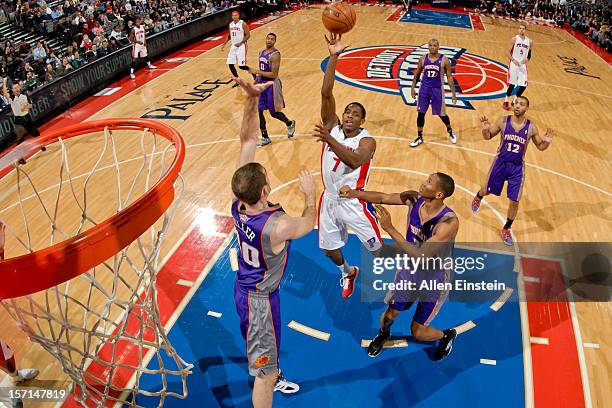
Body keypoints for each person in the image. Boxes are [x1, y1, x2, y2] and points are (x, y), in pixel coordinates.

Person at [231, 77, 317, 407]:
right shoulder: (276, 227)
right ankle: (269, 378)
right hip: (259, 301)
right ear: (265, 192)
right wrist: (310, 195)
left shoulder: (239, 200)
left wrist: (251, 99)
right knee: (263, 375)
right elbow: (308, 224)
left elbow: (247, 138)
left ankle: (271, 369)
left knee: (266, 358)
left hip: (250, 291)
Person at [339, 172, 459, 360]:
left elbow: (421, 255)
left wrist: (389, 228)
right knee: (389, 315)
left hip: (434, 279)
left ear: (439, 195)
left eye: (429, 182)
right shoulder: (414, 198)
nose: (423, 183)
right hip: (409, 271)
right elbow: (383, 197)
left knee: (418, 332)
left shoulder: (448, 223)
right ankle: (383, 333)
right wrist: (354, 193)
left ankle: (446, 335)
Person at [313, 33, 383, 299]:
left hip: (353, 201)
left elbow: (354, 160)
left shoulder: (368, 140)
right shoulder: (333, 126)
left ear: (363, 120)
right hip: (330, 199)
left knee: (378, 249)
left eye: (356, 114)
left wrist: (329, 138)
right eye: (347, 112)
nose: (350, 116)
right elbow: (326, 92)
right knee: (329, 250)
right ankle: (348, 271)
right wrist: (334, 56)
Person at [472, 96, 553, 245]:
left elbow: (540, 147)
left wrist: (547, 142)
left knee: (515, 200)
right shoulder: (503, 121)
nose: (517, 106)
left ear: (526, 108)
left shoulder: (531, 127)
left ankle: (506, 228)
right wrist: (484, 129)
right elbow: (488, 136)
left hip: (517, 167)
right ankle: (478, 196)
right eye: (516, 103)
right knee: (487, 189)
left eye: (521, 104)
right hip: (500, 163)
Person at [247, 33, 296, 147]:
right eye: (268, 38)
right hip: (262, 84)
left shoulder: (275, 55)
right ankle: (265, 138)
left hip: (272, 85)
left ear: (275, 41)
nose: (269, 41)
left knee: (273, 113)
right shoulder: (261, 53)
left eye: (272, 39)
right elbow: (262, 70)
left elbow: (274, 74)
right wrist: (254, 83)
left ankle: (289, 123)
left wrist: (257, 72)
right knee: (258, 110)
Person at [409, 38, 457, 148]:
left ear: (438, 46)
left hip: (437, 89)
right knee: (421, 113)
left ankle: (450, 131)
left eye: (435, 45)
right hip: (424, 89)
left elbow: (449, 77)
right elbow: (417, 75)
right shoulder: (422, 59)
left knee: (442, 114)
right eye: (430, 45)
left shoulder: (444, 60)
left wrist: (453, 94)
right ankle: (419, 137)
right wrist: (412, 88)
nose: (432, 47)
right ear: (428, 46)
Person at [503, 24, 531, 110]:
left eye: (523, 29)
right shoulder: (514, 39)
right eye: (520, 28)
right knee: (512, 84)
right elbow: (507, 52)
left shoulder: (530, 41)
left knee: (523, 85)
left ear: (525, 30)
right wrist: (513, 60)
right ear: (518, 30)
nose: (521, 30)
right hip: (514, 64)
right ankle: (506, 100)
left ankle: (515, 100)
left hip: (522, 65)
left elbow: (529, 55)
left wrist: (527, 60)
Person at [221, 11, 250, 80]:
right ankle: (237, 79)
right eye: (233, 15)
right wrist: (224, 44)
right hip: (233, 46)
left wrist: (240, 43)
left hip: (241, 46)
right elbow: (229, 36)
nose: (234, 17)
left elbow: (248, 35)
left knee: (241, 66)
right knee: (230, 64)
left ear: (238, 16)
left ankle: (253, 73)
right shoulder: (230, 24)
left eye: (236, 15)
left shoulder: (243, 23)